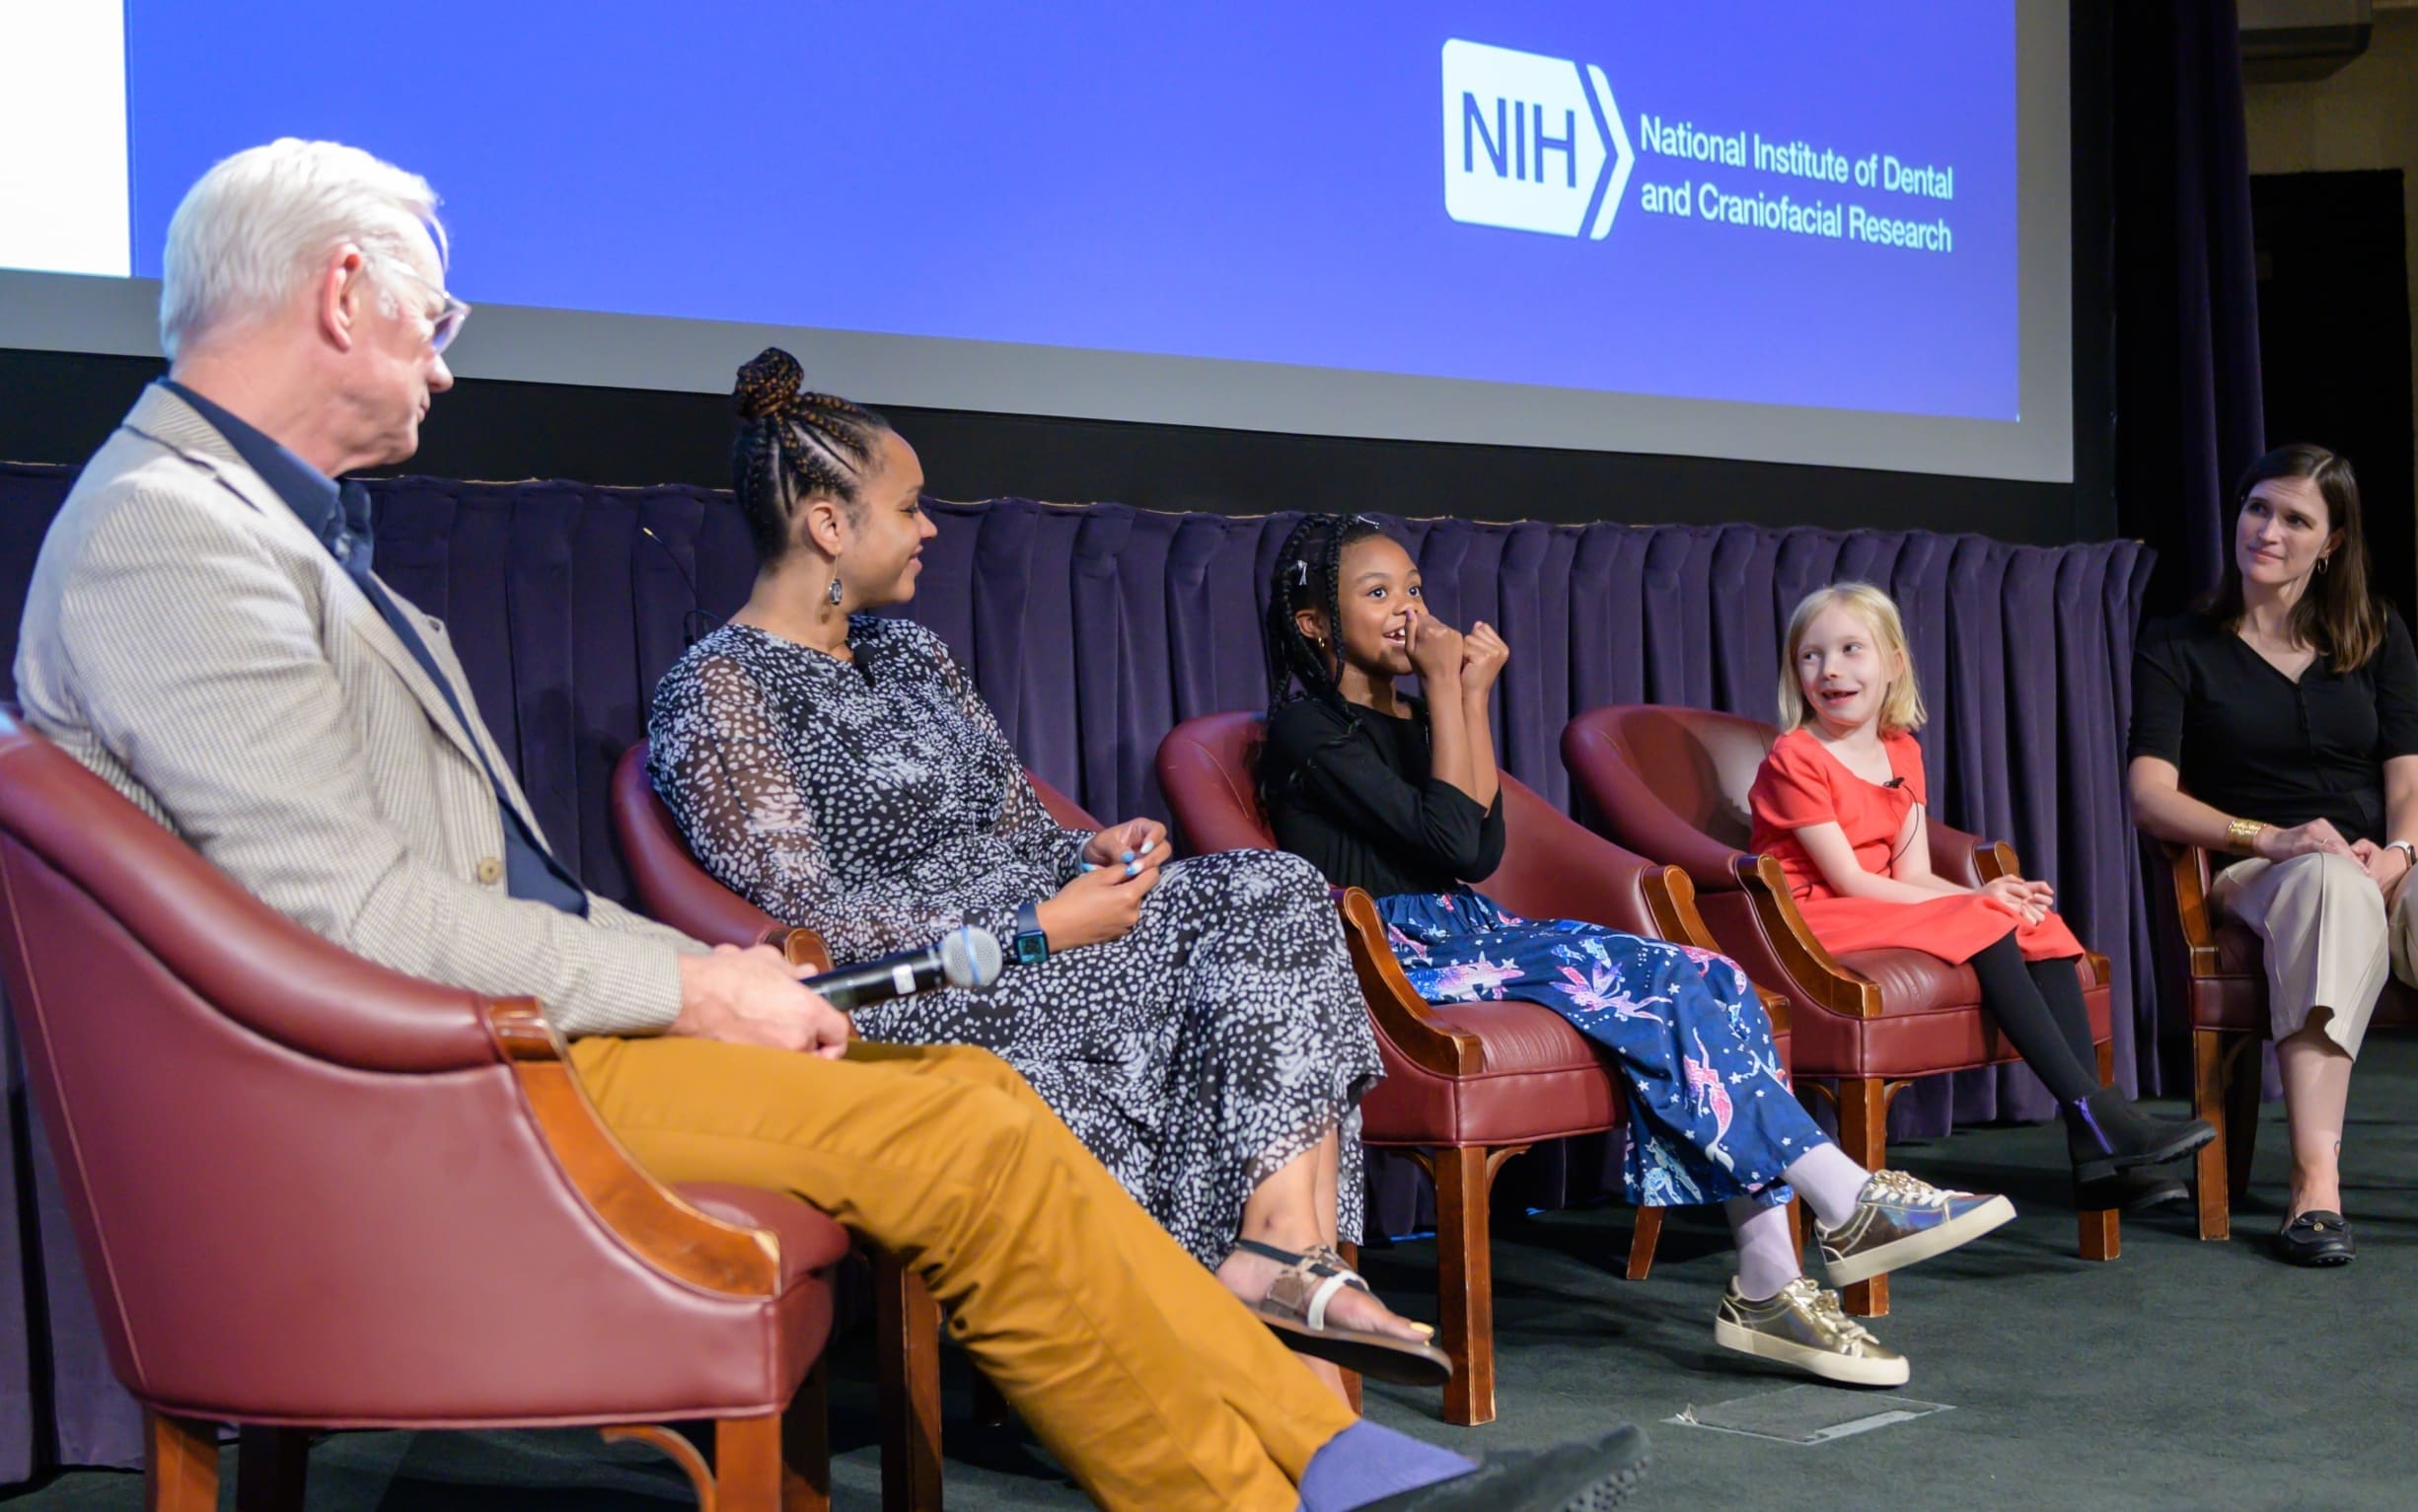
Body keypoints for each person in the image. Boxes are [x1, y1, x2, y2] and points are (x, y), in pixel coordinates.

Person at [11, 137, 1652, 1512]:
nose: (446, 358)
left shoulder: (261, 531)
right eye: (433, 314)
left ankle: (1326, 1452)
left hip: (494, 1035)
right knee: (964, 1118)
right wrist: (702, 986)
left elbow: (479, 886)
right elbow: (345, 907)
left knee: (989, 1104)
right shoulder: (172, 536)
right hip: (430, 1088)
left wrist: (701, 967)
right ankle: (1283, 1484)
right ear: (340, 293)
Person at [645, 348, 1443, 1395]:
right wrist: (1039, 922)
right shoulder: (717, 692)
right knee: (1232, 975)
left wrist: (1095, 852)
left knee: (1275, 886)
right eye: (911, 506)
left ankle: (1280, 1251)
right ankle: (1247, 1319)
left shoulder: (913, 655)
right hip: (938, 981)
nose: (931, 528)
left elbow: (1020, 819)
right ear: (831, 526)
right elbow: (811, 920)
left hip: (1054, 937)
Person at [1256, 514, 2015, 1390]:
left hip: (1473, 931)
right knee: (1650, 980)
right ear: (1316, 623)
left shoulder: (1422, 714)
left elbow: (1482, 848)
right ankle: (1844, 1195)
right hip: (1388, 957)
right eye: (1378, 593)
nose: (1408, 609)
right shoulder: (1304, 731)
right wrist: (1455, 693)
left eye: (1415, 589)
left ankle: (1770, 1276)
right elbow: (1454, 841)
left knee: (1714, 975)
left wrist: (1459, 699)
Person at [2128, 444, 2418, 1267]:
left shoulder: (2373, 631)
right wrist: (2267, 837)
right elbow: (2151, 794)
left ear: (2332, 541)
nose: (2267, 531)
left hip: (2415, 849)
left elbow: (2414, 784)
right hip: (2272, 863)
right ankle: (2316, 1188)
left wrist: (2404, 852)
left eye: (2295, 519)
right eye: (2257, 509)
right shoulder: (2178, 642)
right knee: (2326, 884)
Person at [1748, 582, 2215, 1213]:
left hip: (1872, 901)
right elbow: (1848, 881)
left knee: (2036, 926)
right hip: (1809, 916)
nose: (1830, 669)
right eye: (1811, 655)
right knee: (1985, 923)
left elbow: (1911, 874)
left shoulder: (1900, 750)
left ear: (1893, 662)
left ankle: (2095, 1156)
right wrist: (1972, 909)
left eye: (1851, 649)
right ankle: (2100, 1118)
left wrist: (1984, 893)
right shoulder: (1795, 755)